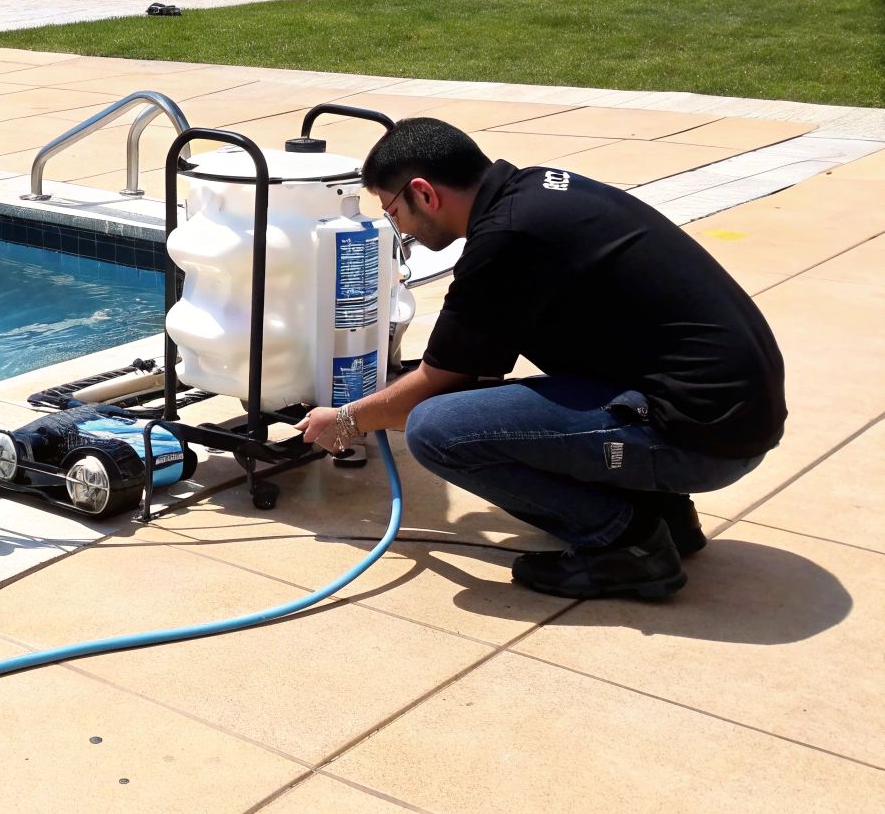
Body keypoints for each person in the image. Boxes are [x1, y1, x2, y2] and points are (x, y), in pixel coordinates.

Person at [297, 118, 786, 599]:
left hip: (703, 437)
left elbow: (439, 381)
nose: (398, 227)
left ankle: (629, 544)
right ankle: (661, 512)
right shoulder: (536, 195)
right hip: (730, 414)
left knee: (436, 430)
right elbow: (472, 367)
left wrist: (347, 420)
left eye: (392, 211)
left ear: (423, 193)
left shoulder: (507, 239)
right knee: (498, 408)